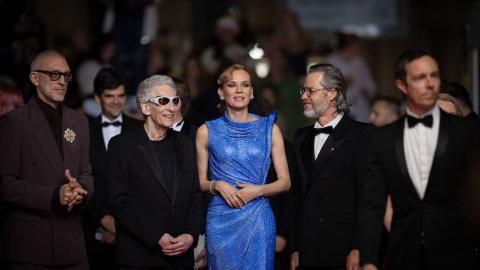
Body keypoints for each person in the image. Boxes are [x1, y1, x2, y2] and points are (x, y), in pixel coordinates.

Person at [359, 49, 480, 270]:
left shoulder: (466, 131)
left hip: (457, 252)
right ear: (402, 86)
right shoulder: (384, 138)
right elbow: (372, 203)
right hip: (403, 253)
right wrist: (368, 259)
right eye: (420, 77)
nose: (430, 83)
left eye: (434, 75)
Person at [0, 50, 93, 269]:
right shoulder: (14, 123)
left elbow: (87, 172)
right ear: (34, 78)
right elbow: (5, 185)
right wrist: (53, 196)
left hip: (72, 245)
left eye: (66, 76)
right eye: (54, 75)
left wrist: (82, 190)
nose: (62, 82)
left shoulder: (78, 122)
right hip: (31, 247)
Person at [196, 64, 291, 269]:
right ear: (221, 93)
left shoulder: (270, 129)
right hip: (220, 219)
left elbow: (285, 183)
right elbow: (199, 182)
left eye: (245, 85)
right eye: (232, 85)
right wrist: (218, 185)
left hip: (258, 218)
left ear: (252, 92)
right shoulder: (206, 130)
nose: (239, 90)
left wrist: (257, 191)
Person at [108, 75, 202, 269]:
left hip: (180, 257)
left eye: (175, 101)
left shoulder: (186, 144)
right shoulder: (121, 146)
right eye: (163, 101)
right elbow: (120, 202)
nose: (172, 108)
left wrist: (191, 235)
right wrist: (156, 236)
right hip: (140, 255)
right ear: (145, 107)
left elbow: (196, 195)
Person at [289, 63, 372, 270]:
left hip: (342, 249)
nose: (303, 96)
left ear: (333, 93)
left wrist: (358, 247)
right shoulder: (301, 137)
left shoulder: (362, 135)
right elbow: (296, 198)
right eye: (303, 90)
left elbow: (367, 198)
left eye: (310, 91)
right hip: (308, 246)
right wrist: (295, 247)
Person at [82, 67, 142, 270]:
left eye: (121, 95)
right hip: (92, 231)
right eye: (110, 96)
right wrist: (102, 218)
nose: (117, 101)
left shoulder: (140, 130)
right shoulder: (84, 132)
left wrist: (122, 226)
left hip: (133, 233)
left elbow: (143, 181)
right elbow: (81, 178)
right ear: (98, 98)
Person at [327, 33, 376, 122]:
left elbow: (370, 85)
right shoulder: (332, 61)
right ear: (347, 45)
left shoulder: (359, 62)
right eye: (355, 45)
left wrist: (367, 91)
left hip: (360, 107)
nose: (358, 49)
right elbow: (325, 85)